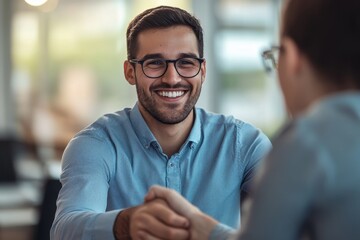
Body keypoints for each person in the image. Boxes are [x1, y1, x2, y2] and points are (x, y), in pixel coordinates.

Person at [135, 0, 360, 239]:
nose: (172, 78)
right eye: (155, 63)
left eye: (275, 57)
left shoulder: (305, 141)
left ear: (291, 58)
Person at [50, 5, 271, 240]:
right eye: (154, 63)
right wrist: (125, 223)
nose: (172, 78)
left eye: (186, 62)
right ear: (130, 72)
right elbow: (65, 229)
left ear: (202, 71)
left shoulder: (245, 145)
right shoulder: (95, 144)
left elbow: (283, 230)